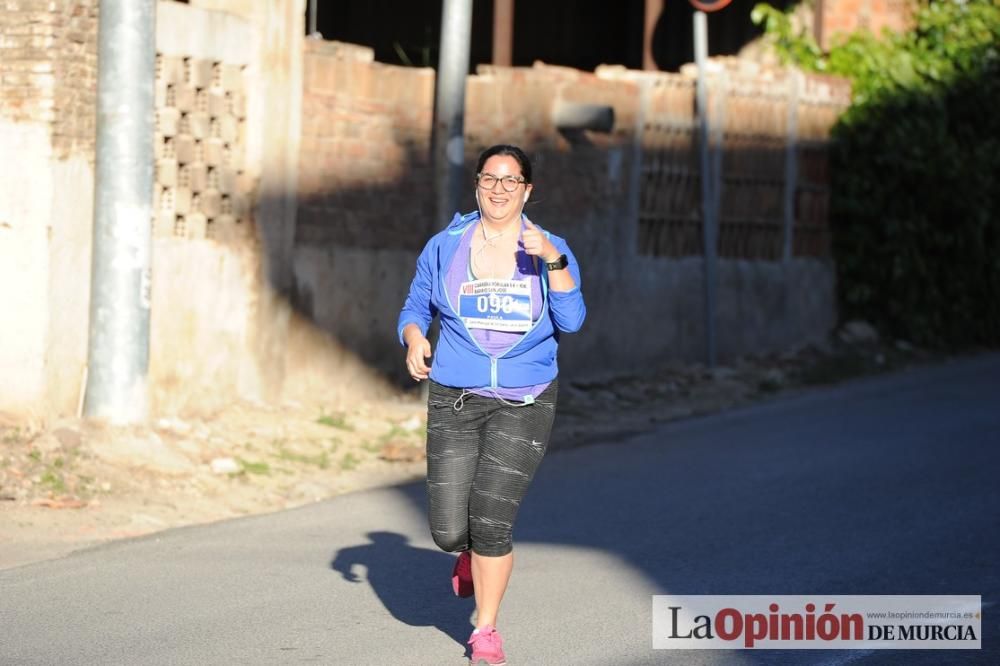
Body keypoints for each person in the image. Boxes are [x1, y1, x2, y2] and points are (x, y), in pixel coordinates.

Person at [397, 144, 586, 665]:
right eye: (489, 178)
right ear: (477, 184)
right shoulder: (446, 245)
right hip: (455, 397)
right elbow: (416, 304)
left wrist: (552, 259)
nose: (498, 189)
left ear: (527, 189)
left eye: (511, 180)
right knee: (448, 530)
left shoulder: (550, 247)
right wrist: (414, 336)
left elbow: (571, 320)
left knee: (492, 520)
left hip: (525, 400)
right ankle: (466, 555)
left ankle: (486, 628)